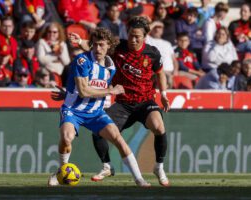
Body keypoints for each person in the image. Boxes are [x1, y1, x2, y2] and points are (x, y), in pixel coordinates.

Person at [70, 16, 170, 186]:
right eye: (131, 35)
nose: (133, 39)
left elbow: (160, 72)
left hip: (145, 101)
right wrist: (80, 42)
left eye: (137, 36)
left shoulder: (152, 53)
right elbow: (97, 48)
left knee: (159, 126)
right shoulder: (119, 47)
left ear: (144, 36)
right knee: (98, 131)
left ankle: (158, 167)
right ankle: (107, 166)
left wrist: (164, 94)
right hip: (123, 103)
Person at [47, 27, 151, 187]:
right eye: (95, 45)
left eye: (101, 45)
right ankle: (62, 170)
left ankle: (139, 179)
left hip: (95, 112)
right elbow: (83, 91)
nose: (97, 49)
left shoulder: (111, 67)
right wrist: (111, 90)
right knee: (67, 138)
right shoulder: (83, 61)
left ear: (109, 45)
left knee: (119, 140)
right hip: (73, 110)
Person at [146, 20, 178, 88]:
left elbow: (174, 60)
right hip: (155, 71)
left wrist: (175, 71)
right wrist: (154, 23)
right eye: (155, 27)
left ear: (163, 30)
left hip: (169, 71)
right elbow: (143, 33)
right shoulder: (148, 40)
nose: (157, 29)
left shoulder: (167, 43)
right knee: (165, 79)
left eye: (160, 27)